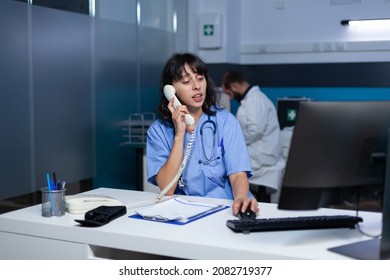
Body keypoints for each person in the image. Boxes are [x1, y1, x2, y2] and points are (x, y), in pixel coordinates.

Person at [146, 53, 258, 216]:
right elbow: (167, 189)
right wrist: (179, 135)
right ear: (170, 90)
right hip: (185, 212)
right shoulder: (158, 131)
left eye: (200, 78)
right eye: (186, 81)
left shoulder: (225, 121)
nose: (196, 86)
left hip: (227, 207)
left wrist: (240, 197)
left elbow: (237, 173)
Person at [221, 71, 285, 202]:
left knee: (225, 166)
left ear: (234, 86)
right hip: (259, 151)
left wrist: (233, 140)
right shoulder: (251, 100)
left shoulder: (255, 100)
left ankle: (230, 200)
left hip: (263, 155)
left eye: (229, 93)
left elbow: (255, 130)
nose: (231, 97)